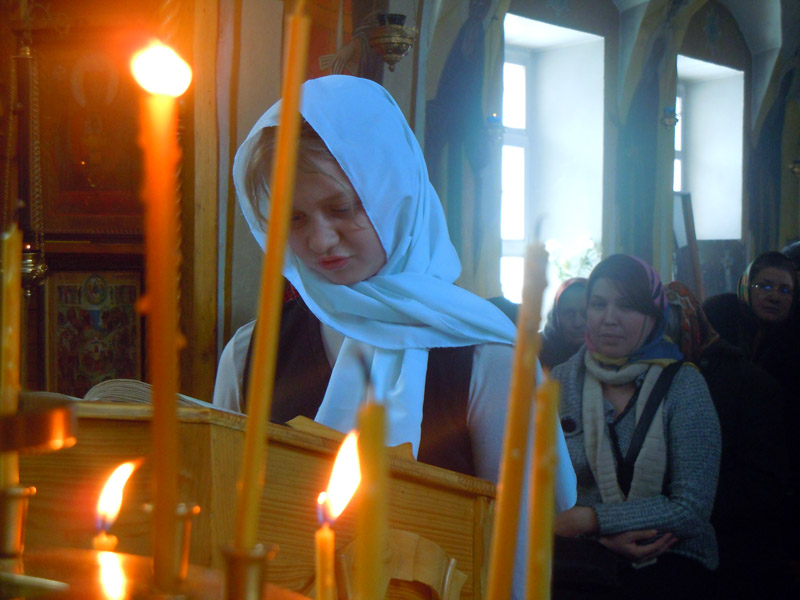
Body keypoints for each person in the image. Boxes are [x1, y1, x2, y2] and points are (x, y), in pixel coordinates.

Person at [212, 75, 577, 598]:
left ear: (395, 193)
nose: (320, 239)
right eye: (293, 217)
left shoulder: (487, 357)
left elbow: (514, 559)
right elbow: (226, 516)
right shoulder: (251, 353)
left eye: (343, 208)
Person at [550, 254, 721, 600]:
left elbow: (691, 508)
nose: (609, 319)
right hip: (582, 563)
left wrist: (591, 520)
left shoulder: (683, 385)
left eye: (627, 306)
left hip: (673, 560)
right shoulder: (561, 381)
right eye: (599, 304)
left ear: (653, 315)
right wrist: (598, 541)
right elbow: (537, 484)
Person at [665, 280, 793, 599]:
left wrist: (679, 504)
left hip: (732, 551)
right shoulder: (638, 377)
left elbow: (764, 482)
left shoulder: (747, 383)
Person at [540, 277, 588, 370]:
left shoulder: (612, 351)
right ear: (556, 317)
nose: (578, 323)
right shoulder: (538, 350)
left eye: (585, 314)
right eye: (569, 314)